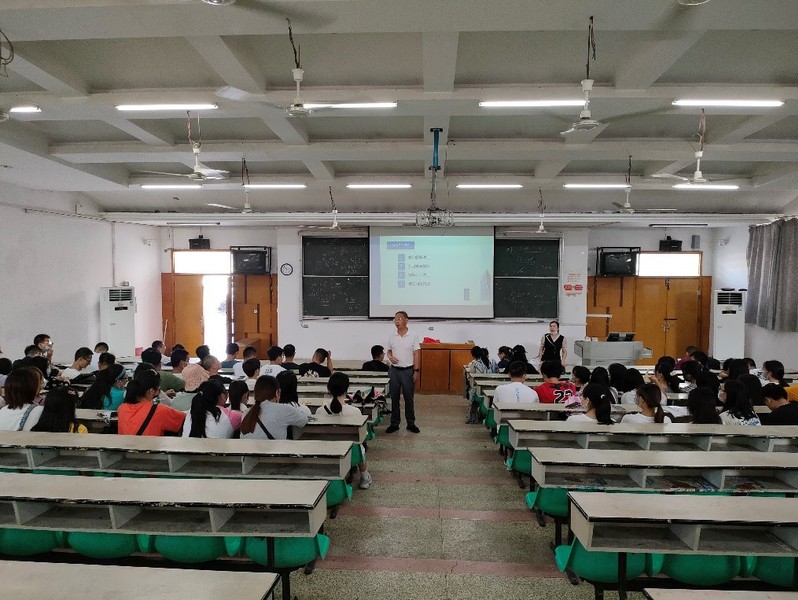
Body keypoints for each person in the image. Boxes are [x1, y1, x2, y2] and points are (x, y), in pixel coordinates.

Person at [317, 372, 372, 489]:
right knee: (360, 446)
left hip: (327, 449)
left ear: (328, 389)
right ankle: (364, 476)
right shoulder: (355, 412)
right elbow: (363, 436)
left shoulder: (320, 411)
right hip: (351, 452)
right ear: (347, 389)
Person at [117, 369, 185, 436]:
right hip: (150, 444)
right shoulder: (160, 410)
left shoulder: (122, 408)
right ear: (151, 391)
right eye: (159, 389)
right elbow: (184, 419)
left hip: (124, 443)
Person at [239, 375, 308, 440]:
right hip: (274, 449)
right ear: (277, 392)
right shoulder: (284, 409)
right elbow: (303, 421)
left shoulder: (246, 412)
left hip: (248, 448)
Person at [385, 311, 420, 434]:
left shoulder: (413, 335)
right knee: (394, 398)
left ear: (406, 320)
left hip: (408, 371)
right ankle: (394, 423)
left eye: (399, 318)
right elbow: (388, 351)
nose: (397, 321)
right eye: (395, 319)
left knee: (408, 398)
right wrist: (390, 357)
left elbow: (416, 354)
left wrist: (416, 371)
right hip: (394, 371)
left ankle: (411, 423)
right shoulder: (392, 336)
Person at [464, 346, 491, 423]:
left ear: (473, 355)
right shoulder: (488, 362)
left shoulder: (474, 363)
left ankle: (472, 418)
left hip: (477, 387)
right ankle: (483, 415)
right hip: (488, 386)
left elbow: (471, 375)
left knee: (471, 394)